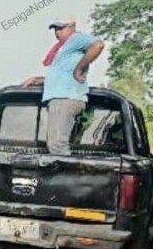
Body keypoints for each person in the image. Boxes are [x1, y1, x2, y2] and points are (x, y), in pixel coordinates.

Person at [21, 15, 105, 155]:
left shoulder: (76, 39)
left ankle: (66, 169)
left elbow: (98, 45)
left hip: (65, 98)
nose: (57, 32)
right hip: (62, 98)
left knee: (57, 145)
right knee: (56, 144)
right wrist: (40, 80)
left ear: (72, 27)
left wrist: (79, 69)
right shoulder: (64, 47)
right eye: (55, 28)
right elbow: (64, 73)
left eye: (61, 28)